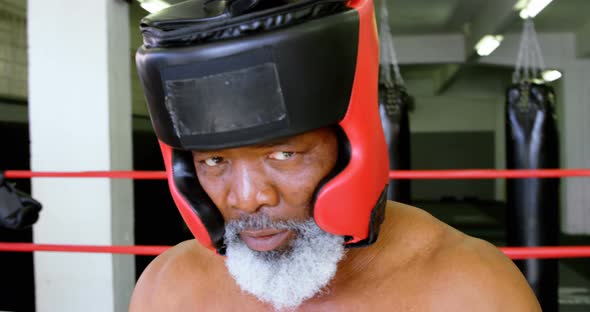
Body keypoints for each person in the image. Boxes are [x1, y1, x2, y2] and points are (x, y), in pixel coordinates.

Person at [130, 0, 541, 310]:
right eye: (214, 161)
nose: (247, 197)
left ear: (350, 147)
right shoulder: (169, 287)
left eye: (284, 154)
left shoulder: (471, 290)